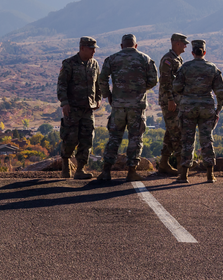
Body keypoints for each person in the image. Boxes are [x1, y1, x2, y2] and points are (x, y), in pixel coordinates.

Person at [96, 34, 158, 182]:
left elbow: (102, 79)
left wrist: (108, 95)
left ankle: (106, 172)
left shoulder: (112, 59)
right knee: (135, 138)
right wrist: (140, 89)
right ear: (136, 45)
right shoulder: (145, 59)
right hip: (137, 106)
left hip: (118, 105)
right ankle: (131, 171)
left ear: (122, 45)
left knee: (114, 138)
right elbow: (154, 80)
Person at [172, 39, 223, 183]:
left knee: (187, 140)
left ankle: (183, 175)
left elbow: (176, 87)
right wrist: (217, 110)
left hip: (188, 107)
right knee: (207, 139)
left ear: (192, 52)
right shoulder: (212, 68)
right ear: (204, 52)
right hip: (207, 108)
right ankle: (210, 174)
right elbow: (221, 94)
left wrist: (185, 97)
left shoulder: (185, 67)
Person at [56, 37, 102, 179]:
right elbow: (62, 84)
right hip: (73, 108)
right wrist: (64, 103)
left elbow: (98, 85)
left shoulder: (94, 64)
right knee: (70, 138)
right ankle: (65, 165)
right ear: (82, 48)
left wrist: (98, 99)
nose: (94, 51)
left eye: (94, 48)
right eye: (91, 48)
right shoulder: (69, 64)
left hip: (88, 109)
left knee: (87, 139)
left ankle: (80, 169)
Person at [156, 33, 189, 175]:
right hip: (169, 101)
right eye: (183, 43)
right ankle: (182, 166)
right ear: (176, 43)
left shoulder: (177, 59)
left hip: (175, 101)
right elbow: (165, 81)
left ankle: (164, 163)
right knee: (176, 132)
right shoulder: (168, 60)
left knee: (171, 131)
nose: (185, 46)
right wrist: (170, 99)